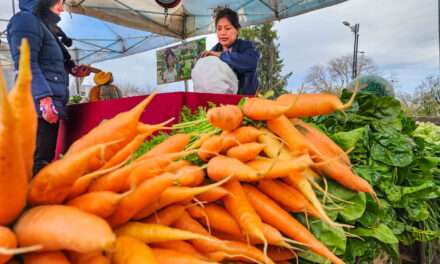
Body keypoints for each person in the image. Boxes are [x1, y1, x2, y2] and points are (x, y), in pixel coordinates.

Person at [7, 0, 92, 175]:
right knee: (37, 162)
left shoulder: (42, 25)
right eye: (58, 3)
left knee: (43, 159)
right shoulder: (25, 20)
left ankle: (35, 198)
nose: (61, 8)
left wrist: (72, 70)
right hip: (36, 107)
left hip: (45, 104)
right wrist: (44, 99)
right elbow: (26, 64)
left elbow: (49, 62)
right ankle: (31, 200)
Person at [201, 7, 260, 95]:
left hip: (247, 101)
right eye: (219, 29)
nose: (223, 33)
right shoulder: (213, 52)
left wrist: (222, 55)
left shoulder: (247, 46)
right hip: (221, 103)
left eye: (227, 28)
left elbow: (251, 62)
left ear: (237, 30)